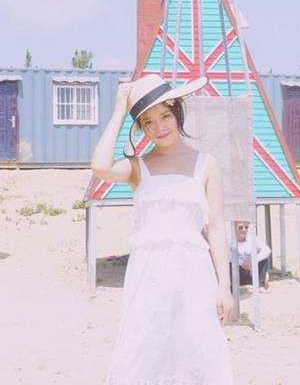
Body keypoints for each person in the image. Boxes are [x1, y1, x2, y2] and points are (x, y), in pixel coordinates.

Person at [92, 74, 234, 384]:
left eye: (165, 116)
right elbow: (100, 167)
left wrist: (224, 286)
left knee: (196, 349)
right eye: (148, 122)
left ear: (177, 112)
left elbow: (216, 228)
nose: (160, 127)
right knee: (145, 348)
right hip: (148, 272)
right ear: (140, 128)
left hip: (194, 271)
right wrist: (120, 110)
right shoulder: (137, 167)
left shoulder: (206, 164)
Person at [229, 223, 271, 292]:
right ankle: (231, 288)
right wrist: (241, 263)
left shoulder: (253, 238)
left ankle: (260, 285)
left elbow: (267, 250)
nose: (244, 230)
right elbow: (227, 256)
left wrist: (253, 261)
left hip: (251, 273)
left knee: (263, 259)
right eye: (240, 227)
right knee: (229, 263)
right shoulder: (230, 240)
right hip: (237, 274)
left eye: (246, 227)